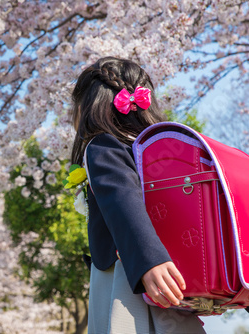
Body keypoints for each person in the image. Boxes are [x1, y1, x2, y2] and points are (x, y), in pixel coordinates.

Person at [70, 56, 206, 333]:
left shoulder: (102, 145)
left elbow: (121, 199)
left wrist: (148, 260)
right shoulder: (164, 153)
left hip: (129, 276)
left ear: (87, 106)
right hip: (174, 278)